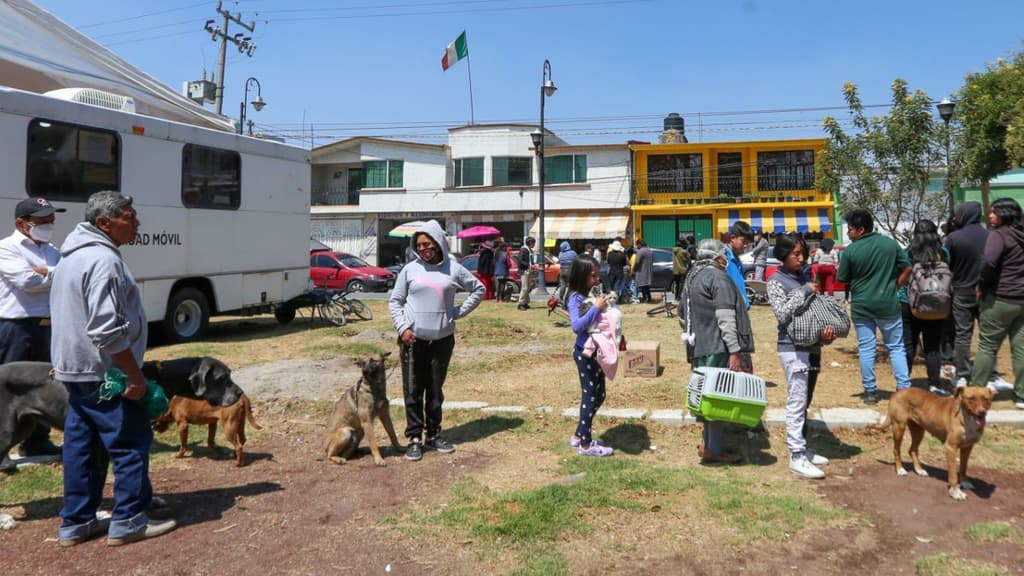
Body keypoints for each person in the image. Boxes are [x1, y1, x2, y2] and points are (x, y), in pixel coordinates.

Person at [50, 191, 177, 546]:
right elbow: (105, 329)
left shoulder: (71, 257)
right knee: (130, 441)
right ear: (105, 223)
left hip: (75, 372)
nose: (137, 223)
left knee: (82, 447)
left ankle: (76, 523)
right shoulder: (103, 261)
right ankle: (129, 520)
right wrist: (134, 374)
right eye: (130, 216)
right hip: (106, 373)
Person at [389, 220, 484, 460]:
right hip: (413, 341)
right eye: (419, 246)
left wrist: (457, 312)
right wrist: (403, 328)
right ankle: (414, 438)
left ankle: (433, 434)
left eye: (427, 244)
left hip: (442, 341)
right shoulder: (410, 269)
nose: (423, 250)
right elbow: (395, 301)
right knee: (413, 390)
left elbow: (478, 289)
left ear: (438, 243)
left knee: (434, 390)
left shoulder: (454, 268)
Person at [0, 197, 66, 471]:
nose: (49, 225)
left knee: (44, 387)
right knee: (9, 391)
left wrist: (47, 273)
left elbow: (69, 276)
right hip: (17, 327)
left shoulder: (52, 250)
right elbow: (27, 282)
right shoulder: (6, 248)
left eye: (51, 220)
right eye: (42, 221)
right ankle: (2, 447)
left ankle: (37, 440)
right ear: (22, 224)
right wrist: (56, 274)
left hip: (49, 326)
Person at [679, 239, 754, 464]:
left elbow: (683, 316)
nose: (727, 260)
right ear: (717, 257)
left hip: (700, 348)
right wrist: (734, 351)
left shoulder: (693, 277)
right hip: (718, 348)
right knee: (717, 400)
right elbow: (725, 318)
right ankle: (713, 448)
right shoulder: (718, 277)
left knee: (707, 400)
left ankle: (709, 443)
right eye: (725, 256)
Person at [766, 234, 834, 479]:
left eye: (802, 253)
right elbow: (782, 314)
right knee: (796, 399)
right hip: (792, 349)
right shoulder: (776, 280)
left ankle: (803, 448)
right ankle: (796, 455)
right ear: (783, 255)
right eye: (795, 254)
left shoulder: (803, 276)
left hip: (812, 347)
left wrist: (826, 333)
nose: (801, 257)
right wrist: (804, 291)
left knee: (806, 398)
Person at [835, 209, 912, 404]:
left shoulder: (851, 251)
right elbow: (907, 267)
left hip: (862, 307)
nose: (848, 233)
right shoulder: (890, 244)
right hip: (888, 304)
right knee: (896, 348)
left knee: (867, 349)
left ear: (861, 230)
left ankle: (870, 391)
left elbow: (842, 278)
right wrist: (895, 286)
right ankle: (904, 388)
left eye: (850, 229)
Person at [970, 198, 1024, 409]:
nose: (990, 216)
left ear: (1005, 214)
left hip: (1000, 298)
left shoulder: (999, 235)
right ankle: (1021, 395)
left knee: (987, 346)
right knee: (1021, 348)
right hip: (1022, 300)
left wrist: (982, 286)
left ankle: (975, 392)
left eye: (994, 213)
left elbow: (989, 262)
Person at [566, 254, 614, 457]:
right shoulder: (575, 298)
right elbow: (577, 326)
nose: (597, 279)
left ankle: (579, 435)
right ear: (581, 276)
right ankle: (585, 445)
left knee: (599, 394)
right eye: (593, 276)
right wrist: (596, 309)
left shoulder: (593, 293)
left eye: (597, 275)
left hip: (598, 351)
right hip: (584, 353)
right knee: (589, 396)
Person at [899, 220, 950, 396]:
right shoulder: (943, 253)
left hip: (909, 304)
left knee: (908, 344)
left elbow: (901, 276)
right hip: (937, 305)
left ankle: (904, 383)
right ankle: (934, 384)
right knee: (933, 347)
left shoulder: (907, 253)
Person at [944, 201, 989, 387]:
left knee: (962, 334)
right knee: (988, 336)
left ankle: (962, 373)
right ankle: (990, 374)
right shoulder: (990, 236)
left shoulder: (954, 238)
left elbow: (947, 264)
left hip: (961, 292)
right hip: (986, 292)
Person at [516, 237, 537, 310]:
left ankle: (526, 302)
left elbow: (531, 260)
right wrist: (529, 265)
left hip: (529, 270)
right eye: (533, 243)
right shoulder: (523, 250)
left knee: (528, 287)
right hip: (524, 271)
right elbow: (520, 260)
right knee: (524, 287)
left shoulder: (530, 250)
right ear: (530, 243)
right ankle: (521, 303)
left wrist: (533, 266)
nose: (534, 244)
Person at [633, 239, 653, 303]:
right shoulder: (649, 250)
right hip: (649, 270)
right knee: (646, 286)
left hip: (641, 271)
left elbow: (637, 262)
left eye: (637, 245)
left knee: (642, 285)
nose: (637, 246)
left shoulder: (640, 251)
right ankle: (649, 298)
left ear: (640, 244)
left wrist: (634, 269)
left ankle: (646, 298)